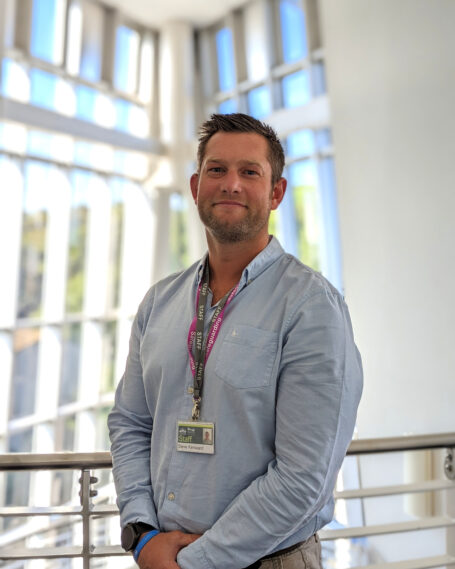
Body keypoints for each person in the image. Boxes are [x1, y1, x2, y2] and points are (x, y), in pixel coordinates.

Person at [108, 113, 363, 569]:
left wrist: (193, 562)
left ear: (276, 192)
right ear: (195, 186)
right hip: (161, 553)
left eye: (250, 172)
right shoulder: (159, 302)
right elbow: (130, 422)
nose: (231, 184)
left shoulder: (311, 307)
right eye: (217, 170)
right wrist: (143, 534)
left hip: (269, 561)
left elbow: (304, 478)